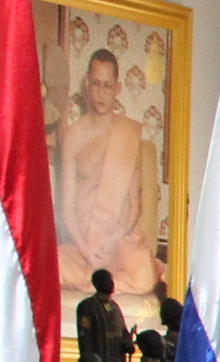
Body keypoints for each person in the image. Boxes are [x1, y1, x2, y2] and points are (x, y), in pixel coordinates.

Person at [55, 47, 161, 312]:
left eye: (107, 85)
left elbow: (135, 204)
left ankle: (96, 281)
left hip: (118, 240)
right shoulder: (73, 136)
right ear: (87, 85)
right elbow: (67, 209)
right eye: (95, 84)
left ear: (117, 88)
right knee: (51, 263)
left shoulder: (128, 133)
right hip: (83, 242)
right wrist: (86, 247)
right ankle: (100, 278)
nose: (101, 93)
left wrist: (113, 241)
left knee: (144, 270)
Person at [74, 266, 130, 362]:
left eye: (111, 280)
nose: (111, 283)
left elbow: (123, 331)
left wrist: (127, 343)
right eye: (107, 280)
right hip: (99, 361)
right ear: (97, 284)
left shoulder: (114, 306)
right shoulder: (87, 306)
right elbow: (85, 337)